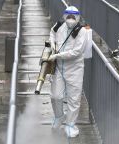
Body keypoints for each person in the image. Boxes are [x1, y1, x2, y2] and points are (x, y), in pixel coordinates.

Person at [48, 6, 87, 137]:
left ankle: (71, 124)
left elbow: (77, 51)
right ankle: (59, 116)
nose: (70, 20)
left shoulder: (82, 31)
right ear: (64, 16)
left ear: (77, 18)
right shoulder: (59, 25)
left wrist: (58, 55)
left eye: (73, 17)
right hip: (59, 68)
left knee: (73, 99)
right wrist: (52, 44)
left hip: (74, 69)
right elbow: (52, 33)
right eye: (68, 17)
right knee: (55, 95)